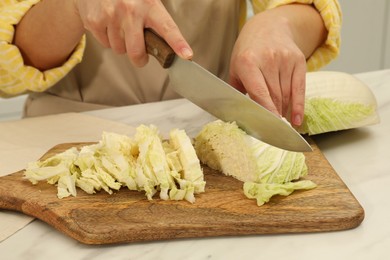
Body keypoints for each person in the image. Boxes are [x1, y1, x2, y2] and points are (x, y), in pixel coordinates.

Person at [0, 0, 341, 126]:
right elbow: (7, 62)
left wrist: (278, 24)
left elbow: (316, 10)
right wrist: (71, 6)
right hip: (66, 141)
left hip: (209, 133)